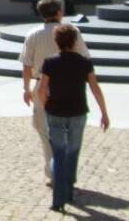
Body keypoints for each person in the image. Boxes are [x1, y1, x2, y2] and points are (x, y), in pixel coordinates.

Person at [36, 22, 110, 211]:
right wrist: (104, 112)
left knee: (58, 153)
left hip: (55, 112)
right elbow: (95, 87)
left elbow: (42, 88)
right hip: (78, 112)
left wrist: (45, 105)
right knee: (72, 153)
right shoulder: (84, 62)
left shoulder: (50, 62)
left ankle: (58, 199)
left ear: (56, 41)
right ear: (75, 41)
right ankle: (68, 191)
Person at [20, 0, 90, 183]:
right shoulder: (71, 31)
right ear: (59, 12)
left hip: (41, 85)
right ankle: (65, 172)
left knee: (46, 132)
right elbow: (84, 58)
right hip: (70, 86)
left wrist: (26, 88)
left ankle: (54, 173)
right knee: (70, 131)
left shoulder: (33, 34)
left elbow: (26, 65)